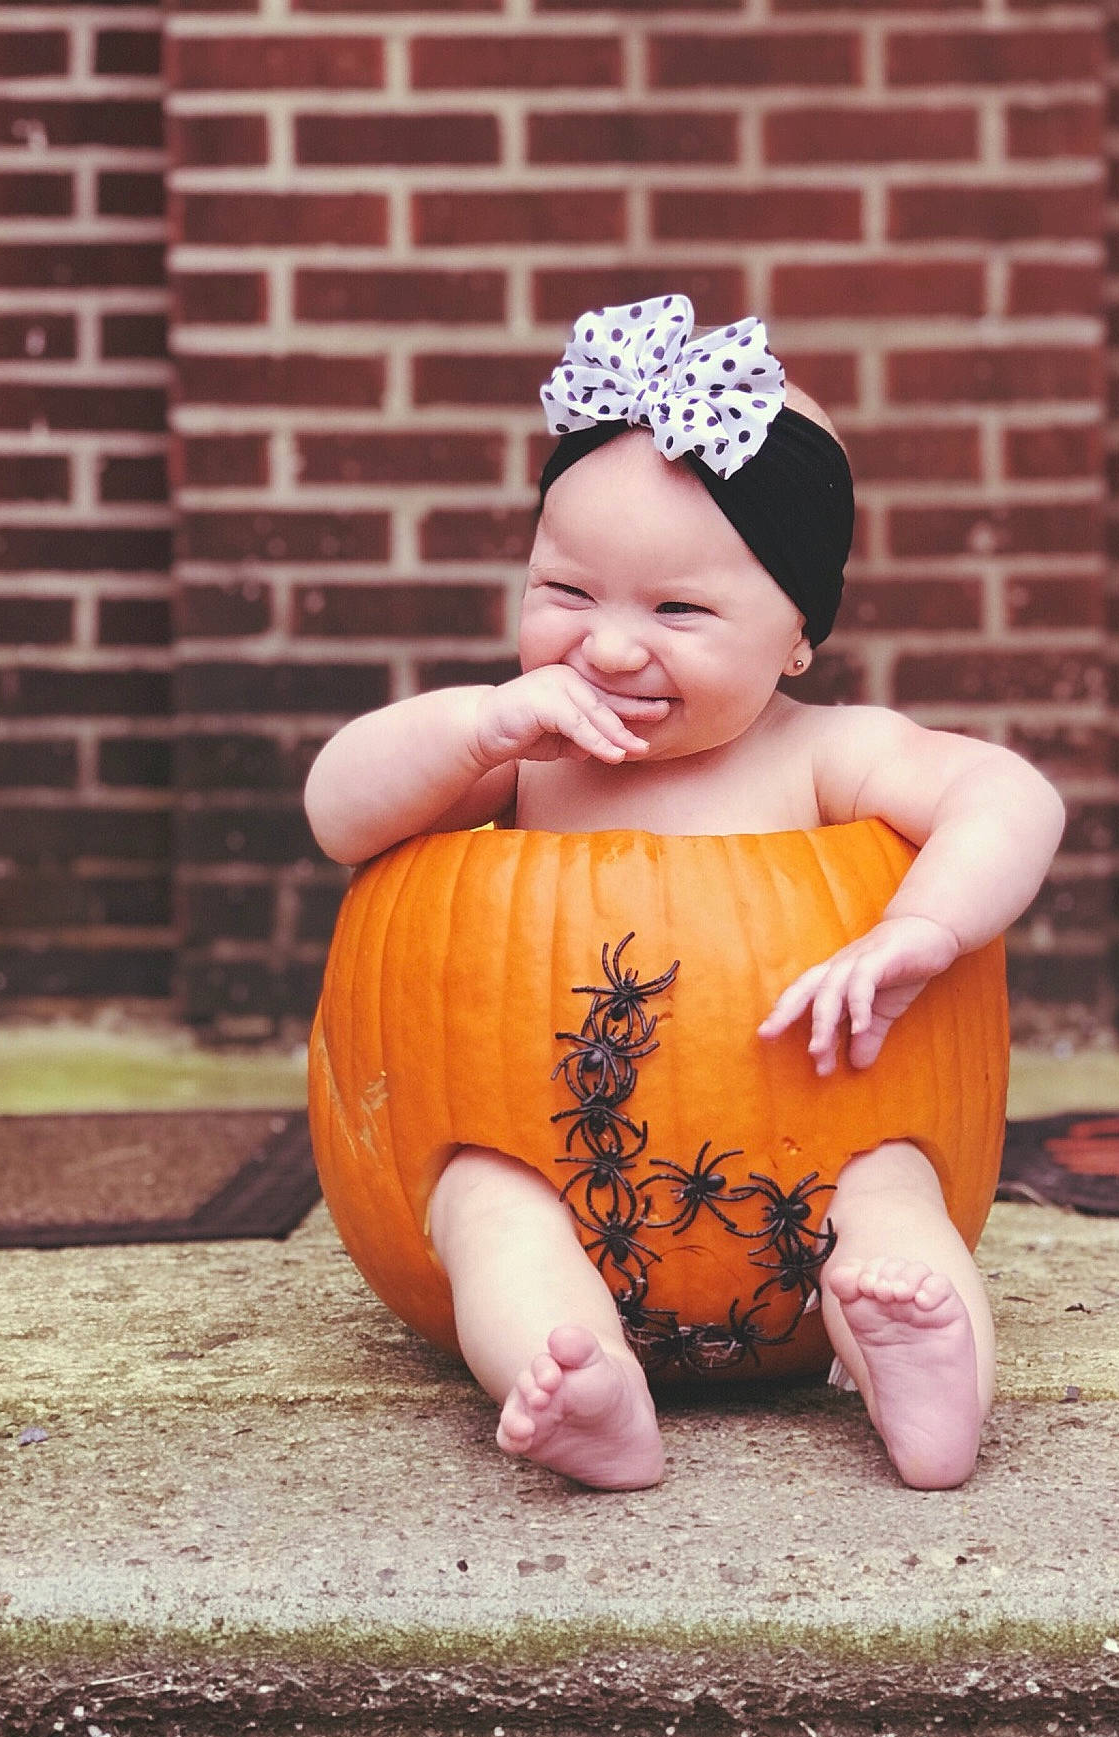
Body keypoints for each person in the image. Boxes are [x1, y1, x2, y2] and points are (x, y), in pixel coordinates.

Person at [304, 296, 1065, 1494]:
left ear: (797, 637)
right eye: (567, 593)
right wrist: (475, 726)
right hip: (545, 1153)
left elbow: (1009, 797)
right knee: (482, 1209)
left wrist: (927, 925)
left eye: (678, 610)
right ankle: (577, 1380)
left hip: (822, 1142)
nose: (607, 650)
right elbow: (338, 812)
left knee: (891, 1199)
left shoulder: (827, 754)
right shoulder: (518, 754)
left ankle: (926, 1372)